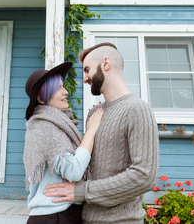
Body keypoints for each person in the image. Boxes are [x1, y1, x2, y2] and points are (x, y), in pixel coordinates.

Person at [43, 43, 159, 224]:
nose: (85, 78)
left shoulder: (137, 109)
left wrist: (82, 191)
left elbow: (144, 176)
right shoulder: (94, 113)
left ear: (106, 64)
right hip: (86, 219)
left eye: (87, 70)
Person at [23, 61, 104, 224]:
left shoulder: (53, 124)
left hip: (56, 214)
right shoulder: (45, 126)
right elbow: (73, 171)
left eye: (63, 86)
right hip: (56, 216)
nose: (66, 92)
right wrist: (91, 131)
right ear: (41, 97)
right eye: (59, 88)